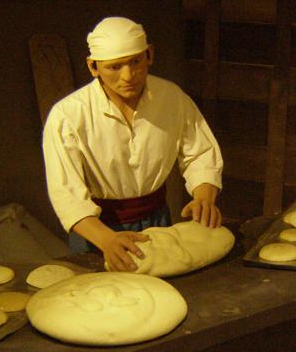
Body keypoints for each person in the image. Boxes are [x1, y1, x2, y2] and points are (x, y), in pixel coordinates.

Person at [43, 16, 224, 272]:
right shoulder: (69, 115)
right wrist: (107, 239)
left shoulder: (171, 98)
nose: (128, 76)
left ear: (149, 54)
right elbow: (66, 193)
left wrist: (204, 196)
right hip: (97, 232)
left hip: (157, 222)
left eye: (135, 62)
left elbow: (200, 152)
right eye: (114, 67)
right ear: (93, 67)